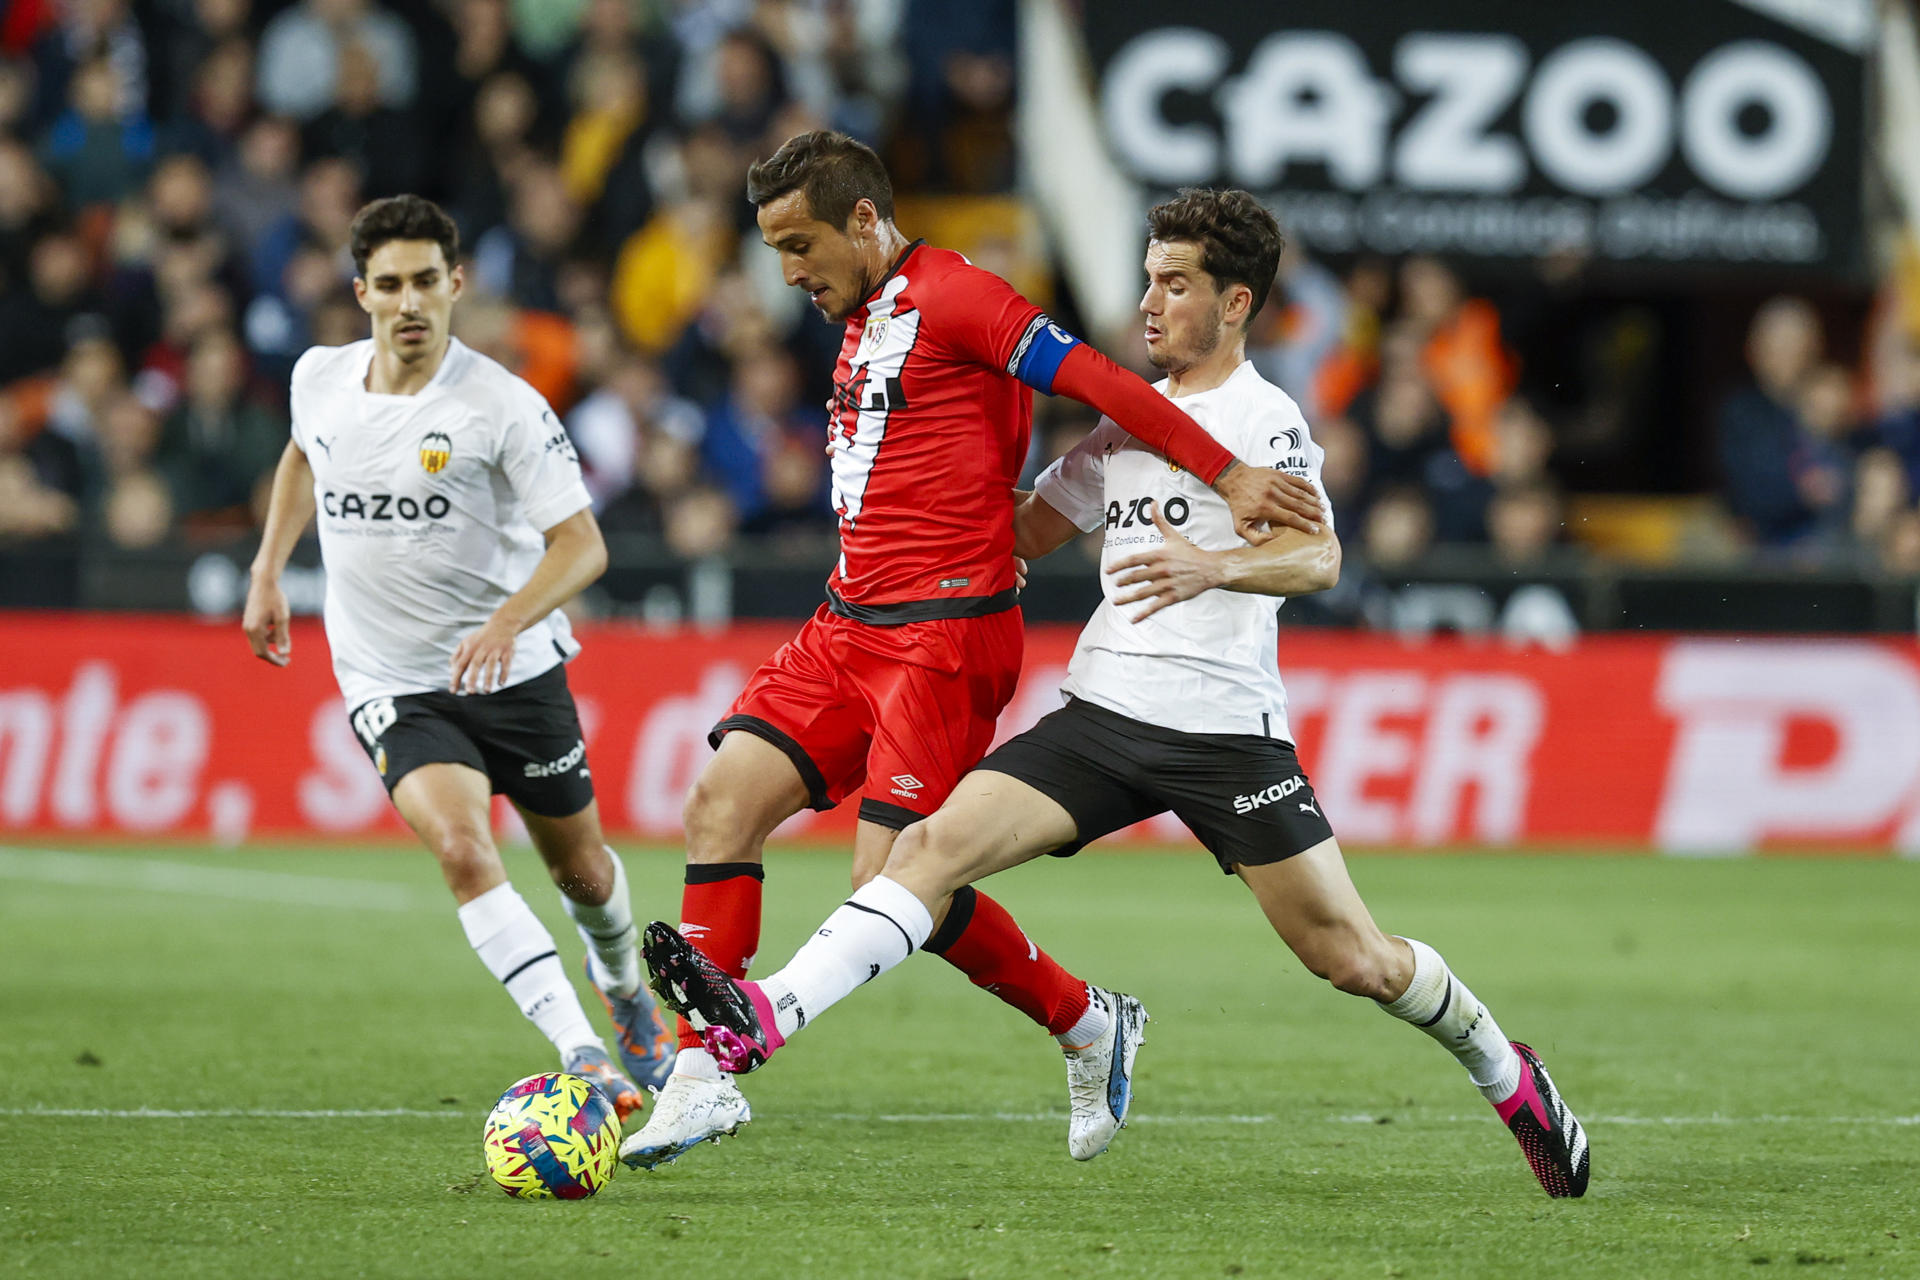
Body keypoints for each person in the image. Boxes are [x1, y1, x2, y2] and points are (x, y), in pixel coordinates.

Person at [640, 188, 1591, 1198]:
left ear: (1235, 304)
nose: (1149, 303)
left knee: (1352, 956)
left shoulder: (1261, 415)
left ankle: (1505, 1069)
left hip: (1225, 734)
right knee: (925, 851)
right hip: (1100, 716)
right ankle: (766, 1016)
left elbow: (1319, 553)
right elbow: (1026, 530)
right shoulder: (1124, 427)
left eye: (1175, 285)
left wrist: (1213, 569)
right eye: (1147, 280)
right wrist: (919, 454)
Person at [619, 132, 1325, 1169]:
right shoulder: (863, 315)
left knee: (893, 880)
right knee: (721, 798)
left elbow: (1098, 378)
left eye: (801, 245)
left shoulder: (957, 296)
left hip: (941, 638)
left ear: (866, 220)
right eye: (776, 250)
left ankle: (1084, 1017)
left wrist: (1225, 473)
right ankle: (699, 1074)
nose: (790, 273)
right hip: (847, 620)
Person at [241, 195, 673, 1122]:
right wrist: (268, 569)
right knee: (465, 850)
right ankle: (582, 1050)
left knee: (584, 874)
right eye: (389, 284)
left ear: (457, 286)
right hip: (393, 681)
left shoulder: (503, 406)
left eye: (425, 283)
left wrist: (509, 622)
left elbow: (582, 545)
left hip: (512, 673)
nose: (408, 303)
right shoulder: (319, 377)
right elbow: (301, 459)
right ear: (360, 291)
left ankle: (623, 984)